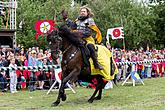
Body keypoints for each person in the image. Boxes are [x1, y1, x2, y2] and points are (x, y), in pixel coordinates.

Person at [62, 6, 103, 70]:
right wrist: (66, 19)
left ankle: (96, 63)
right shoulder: (77, 20)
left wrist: (79, 33)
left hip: (87, 39)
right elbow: (72, 26)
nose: (82, 13)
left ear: (87, 13)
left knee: (90, 46)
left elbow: (89, 32)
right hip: (77, 38)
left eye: (84, 11)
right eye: (81, 11)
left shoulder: (90, 20)